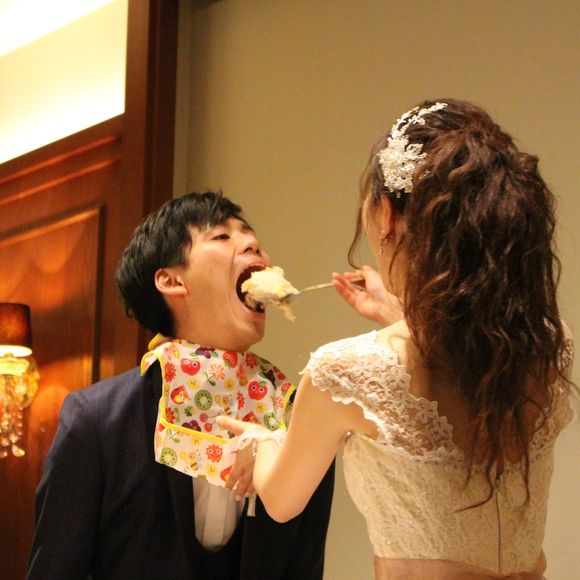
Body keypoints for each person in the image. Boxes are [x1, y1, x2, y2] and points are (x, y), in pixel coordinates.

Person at [219, 100, 575, 579]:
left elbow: (282, 501)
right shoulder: (549, 343)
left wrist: (261, 441)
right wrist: (401, 312)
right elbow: (455, 363)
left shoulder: (345, 373)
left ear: (385, 214)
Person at [27, 191, 334, 580]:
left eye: (250, 235)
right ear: (171, 281)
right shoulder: (98, 420)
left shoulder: (298, 423)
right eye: (221, 236)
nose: (253, 243)